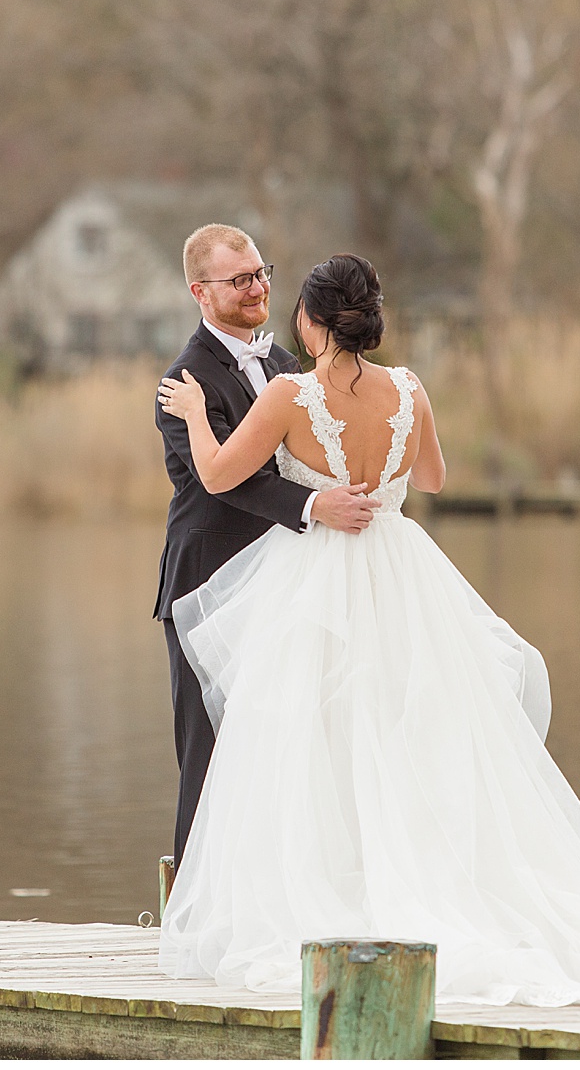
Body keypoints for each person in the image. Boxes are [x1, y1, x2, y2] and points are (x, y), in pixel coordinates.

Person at [154, 253, 580, 1006]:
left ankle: (333, 892)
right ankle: (420, 881)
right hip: (400, 567)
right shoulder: (410, 388)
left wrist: (196, 419)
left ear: (311, 322)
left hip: (323, 574)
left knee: (316, 738)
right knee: (403, 734)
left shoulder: (291, 392)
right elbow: (437, 476)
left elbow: (218, 475)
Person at [154, 224, 380, 875]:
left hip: (288, 585)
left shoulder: (286, 368)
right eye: (240, 279)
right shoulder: (183, 384)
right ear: (201, 291)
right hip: (207, 584)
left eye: (262, 273)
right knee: (210, 752)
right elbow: (223, 482)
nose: (258, 288)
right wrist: (316, 507)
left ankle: (280, 896)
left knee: (290, 752)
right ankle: (192, 916)